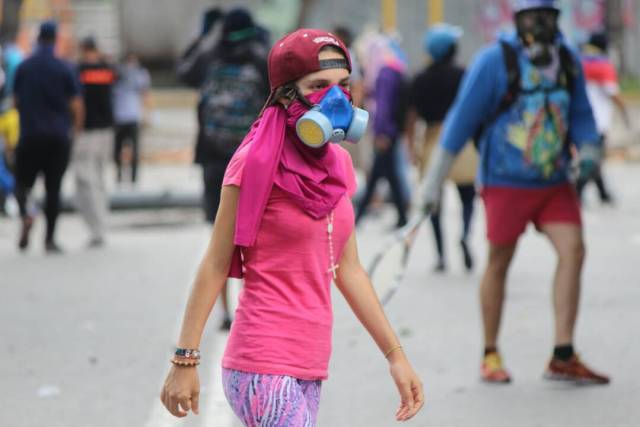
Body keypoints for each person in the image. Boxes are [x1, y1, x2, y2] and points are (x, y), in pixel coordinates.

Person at [160, 29, 424, 425]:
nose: (336, 98)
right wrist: (185, 359)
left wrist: (396, 356)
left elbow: (348, 270)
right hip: (260, 361)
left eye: (343, 85)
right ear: (286, 94)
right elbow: (216, 262)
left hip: (311, 365)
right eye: (318, 86)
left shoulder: (339, 166)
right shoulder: (253, 162)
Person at [422, 0, 609, 384]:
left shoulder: (568, 59)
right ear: (518, 20)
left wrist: (589, 154)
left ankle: (562, 352)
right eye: (531, 17)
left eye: (547, 17)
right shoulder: (495, 61)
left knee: (573, 250)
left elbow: (583, 117)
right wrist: (431, 183)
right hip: (505, 182)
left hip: (554, 182)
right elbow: (461, 120)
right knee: (499, 261)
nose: (540, 26)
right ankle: (490, 353)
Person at [193, 8, 269, 330]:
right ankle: (249, 307)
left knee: (218, 239)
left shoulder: (210, 58)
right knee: (255, 237)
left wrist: (206, 36)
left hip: (214, 159)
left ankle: (224, 312)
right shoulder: (260, 59)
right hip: (253, 159)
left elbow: (184, 69)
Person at [406, 23, 478, 272]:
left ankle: (440, 255)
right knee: (468, 195)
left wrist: (410, 148)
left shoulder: (419, 78)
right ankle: (465, 235)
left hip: (432, 140)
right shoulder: (464, 74)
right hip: (461, 139)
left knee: (431, 201)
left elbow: (411, 117)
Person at [13, 20, 83, 252]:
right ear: (56, 40)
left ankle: (27, 214)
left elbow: (15, 101)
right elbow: (76, 104)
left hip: (30, 134)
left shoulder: (24, 67)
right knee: (54, 189)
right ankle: (50, 239)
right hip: (57, 137)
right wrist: (75, 130)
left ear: (37, 38)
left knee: (22, 184)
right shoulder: (64, 68)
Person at [355, 33, 410, 228]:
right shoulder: (393, 68)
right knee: (389, 175)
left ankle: (358, 216)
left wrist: (381, 132)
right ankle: (402, 215)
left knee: (379, 175)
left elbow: (383, 105)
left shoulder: (384, 72)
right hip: (392, 131)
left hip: (386, 133)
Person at [577, 32, 629, 204]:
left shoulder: (579, 62)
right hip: (597, 122)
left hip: (580, 120)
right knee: (592, 160)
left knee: (594, 158)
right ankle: (577, 190)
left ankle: (603, 193)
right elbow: (613, 93)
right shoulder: (603, 65)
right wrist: (624, 112)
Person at [75, 36, 116, 248]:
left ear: (83, 49)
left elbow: (76, 101)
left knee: (85, 180)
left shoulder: (80, 70)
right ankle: (102, 224)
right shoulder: (108, 68)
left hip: (87, 131)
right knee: (99, 178)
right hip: (107, 131)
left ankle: (96, 228)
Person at [112, 52, 150, 184]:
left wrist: (145, 114)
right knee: (117, 150)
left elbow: (145, 94)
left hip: (132, 117)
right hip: (120, 118)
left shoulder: (140, 74)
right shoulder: (117, 74)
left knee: (134, 150)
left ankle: (133, 179)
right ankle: (119, 177)